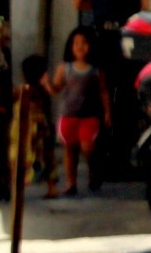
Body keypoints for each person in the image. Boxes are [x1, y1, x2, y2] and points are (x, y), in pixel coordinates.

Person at [45, 27, 109, 196]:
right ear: (71, 47)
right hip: (68, 115)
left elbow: (103, 91)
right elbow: (56, 88)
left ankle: (94, 174)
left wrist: (107, 112)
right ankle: (70, 183)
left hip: (89, 116)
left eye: (84, 43)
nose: (80, 47)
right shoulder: (64, 68)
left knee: (88, 148)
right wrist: (47, 84)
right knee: (69, 150)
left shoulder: (95, 70)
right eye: (76, 43)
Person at [18, 54, 58, 200]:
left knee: (27, 156)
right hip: (43, 127)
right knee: (48, 157)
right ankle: (51, 187)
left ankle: (22, 184)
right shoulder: (39, 90)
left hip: (33, 128)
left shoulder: (26, 90)